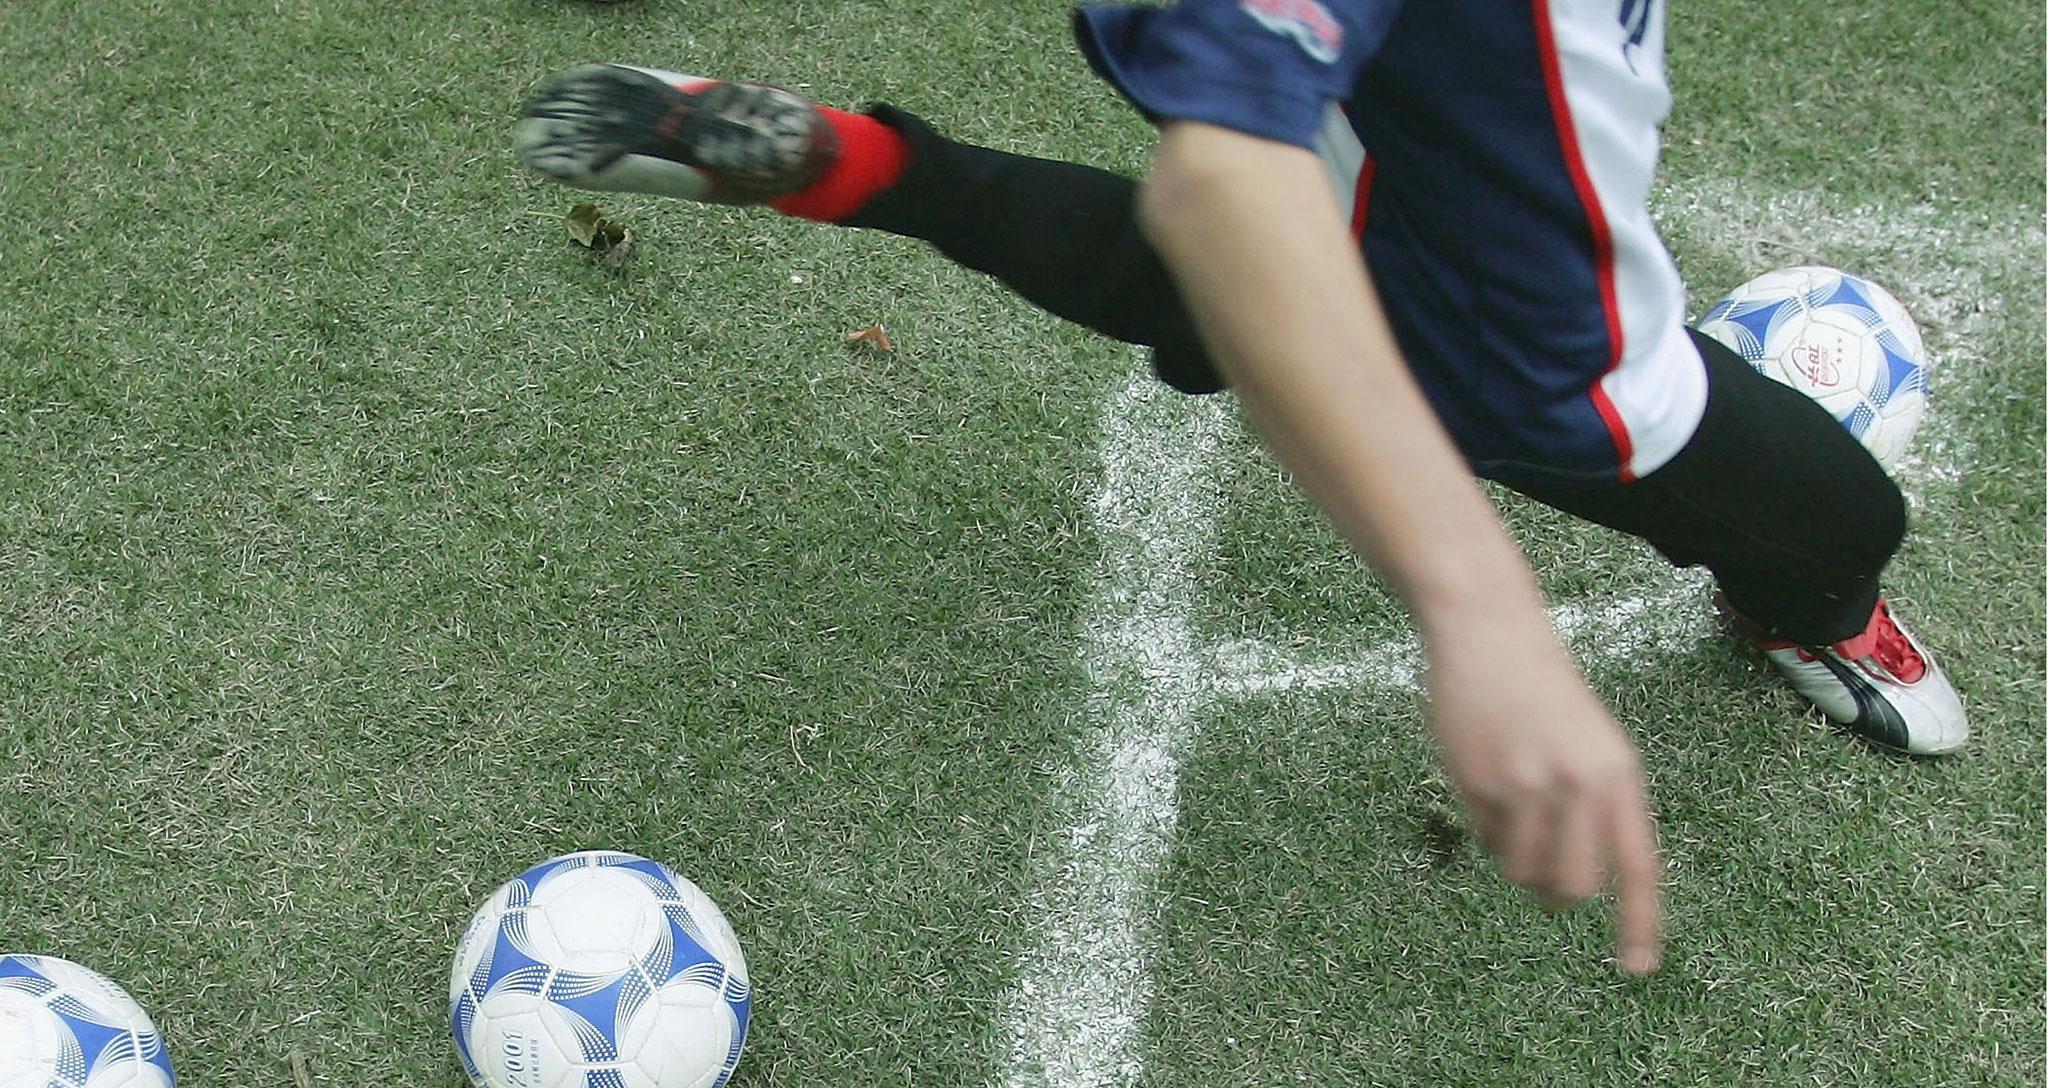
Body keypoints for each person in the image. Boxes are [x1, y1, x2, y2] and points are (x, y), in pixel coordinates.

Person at [511, 0, 1970, 976]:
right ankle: (1811, 610)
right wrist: (1478, 607)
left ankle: (885, 171)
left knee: (1267, 265)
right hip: (1525, 326)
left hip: (1382, 129)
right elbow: (1220, 192)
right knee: (1839, 515)